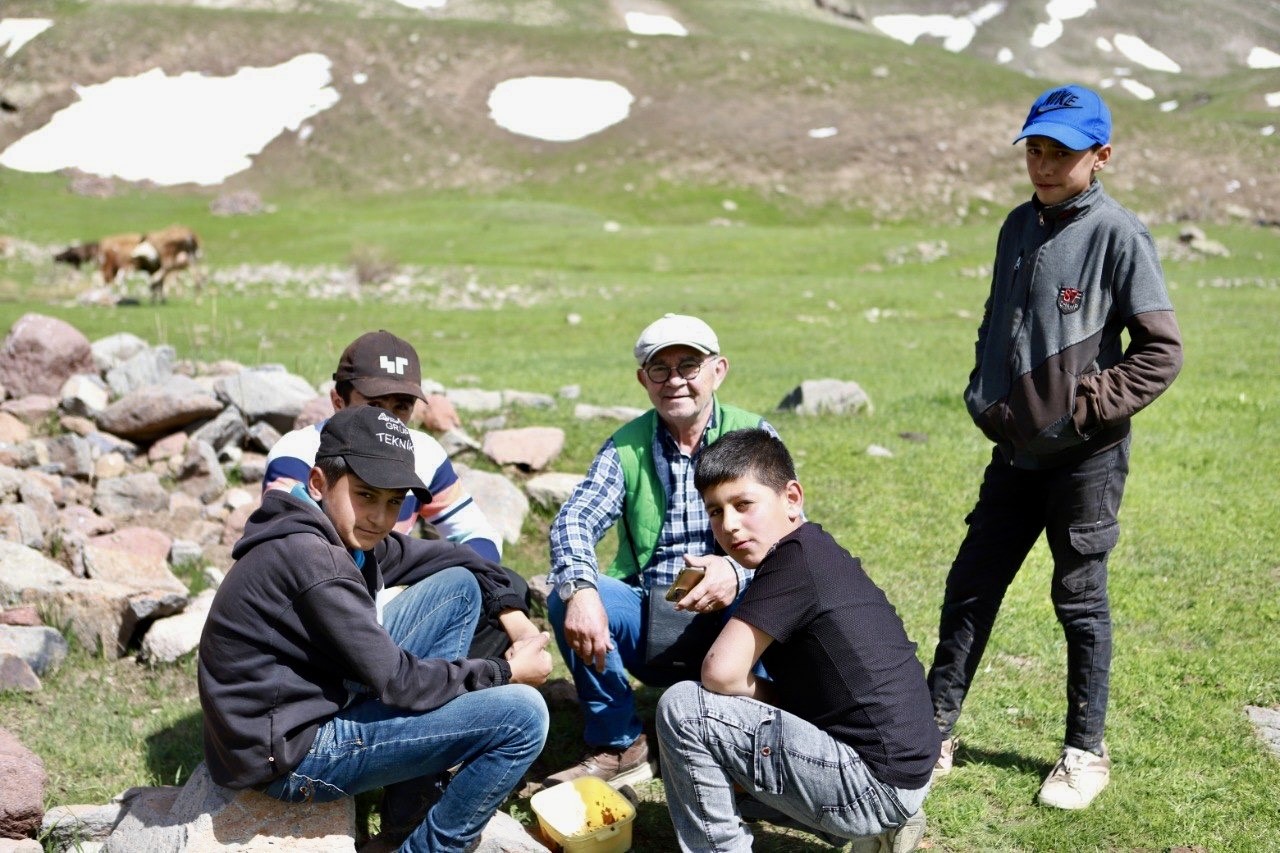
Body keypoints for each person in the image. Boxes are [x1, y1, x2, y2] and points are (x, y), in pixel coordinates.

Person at [926, 84, 1183, 810]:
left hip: (1085, 460)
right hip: (1012, 454)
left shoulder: (1118, 234)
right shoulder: (1016, 225)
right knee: (971, 586)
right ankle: (931, 729)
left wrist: (1088, 406)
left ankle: (1083, 751)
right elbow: (997, 321)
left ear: (1101, 157)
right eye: (1035, 148)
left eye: (1062, 152)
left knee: (1079, 600)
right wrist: (984, 392)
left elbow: (1161, 351)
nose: (1043, 163)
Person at [199, 405, 553, 853]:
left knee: (458, 589)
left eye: (394, 502)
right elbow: (400, 681)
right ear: (317, 483)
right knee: (523, 715)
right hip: (288, 756)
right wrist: (505, 673)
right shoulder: (315, 561)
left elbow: (460, 558)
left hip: (304, 707)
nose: (379, 518)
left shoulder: (336, 533)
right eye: (365, 495)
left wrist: (511, 613)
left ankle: (407, 808)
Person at [656, 429, 938, 853]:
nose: (728, 525)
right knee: (733, 720)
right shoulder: (811, 549)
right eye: (715, 512)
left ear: (792, 498)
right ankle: (878, 829)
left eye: (743, 504)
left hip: (876, 785)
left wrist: (756, 704)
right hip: (906, 773)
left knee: (685, 709)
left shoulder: (794, 561)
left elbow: (720, 673)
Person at [545, 313, 776, 787]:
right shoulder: (625, 446)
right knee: (566, 595)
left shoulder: (754, 436)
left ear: (718, 370)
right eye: (660, 369)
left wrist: (735, 571)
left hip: (740, 614)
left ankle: (765, 735)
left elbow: (794, 541)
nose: (675, 381)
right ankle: (619, 742)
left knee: (786, 604)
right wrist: (583, 591)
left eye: (688, 365)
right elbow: (575, 518)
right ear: (642, 380)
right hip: (653, 613)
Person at [265, 329, 525, 658]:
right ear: (338, 402)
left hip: (389, 588)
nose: (386, 419)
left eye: (400, 407)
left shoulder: (425, 454)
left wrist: (429, 587)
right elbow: (293, 555)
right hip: (323, 608)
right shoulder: (298, 454)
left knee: (507, 588)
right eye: (373, 405)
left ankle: (435, 688)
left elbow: (477, 535)